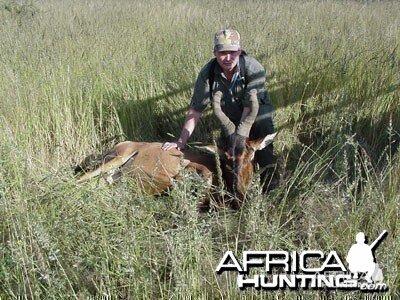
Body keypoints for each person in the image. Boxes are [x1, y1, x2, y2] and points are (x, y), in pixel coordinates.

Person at [162, 29, 277, 191]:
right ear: (214, 52)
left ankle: (270, 182)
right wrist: (181, 141)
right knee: (227, 155)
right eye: (223, 53)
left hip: (254, 114)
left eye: (233, 52)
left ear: (240, 50)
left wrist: (241, 137)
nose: (228, 58)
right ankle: (230, 186)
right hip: (229, 120)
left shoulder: (253, 68)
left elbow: (250, 106)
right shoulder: (208, 72)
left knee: (262, 131)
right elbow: (196, 109)